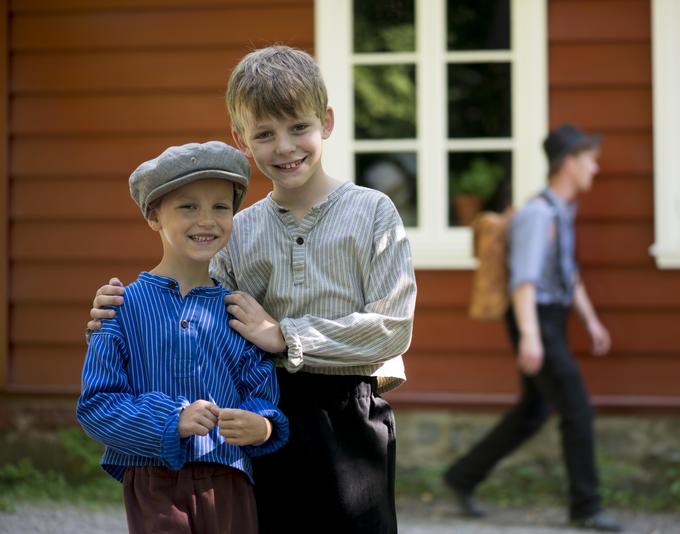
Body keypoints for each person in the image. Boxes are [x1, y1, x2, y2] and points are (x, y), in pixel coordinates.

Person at [87, 45, 416, 534]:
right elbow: (198, 312)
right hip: (266, 409)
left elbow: (392, 328)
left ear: (325, 122)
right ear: (242, 140)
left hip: (351, 410)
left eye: (298, 128)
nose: (284, 147)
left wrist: (287, 335)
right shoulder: (237, 229)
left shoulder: (373, 213)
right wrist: (120, 311)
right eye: (265, 134)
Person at [77, 141, 289, 534]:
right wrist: (170, 419)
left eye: (220, 207)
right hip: (154, 481)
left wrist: (263, 426)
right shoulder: (121, 308)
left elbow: (261, 393)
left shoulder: (240, 311)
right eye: (188, 206)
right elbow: (97, 406)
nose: (206, 220)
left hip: (230, 481)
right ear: (155, 216)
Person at [443, 124, 624, 532]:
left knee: (534, 409)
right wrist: (530, 336)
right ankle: (587, 506)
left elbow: (568, 274)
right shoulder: (537, 215)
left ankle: (463, 475)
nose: (595, 168)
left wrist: (591, 321)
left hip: (551, 317)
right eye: (590, 160)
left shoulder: (562, 211)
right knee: (575, 406)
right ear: (570, 163)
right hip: (534, 317)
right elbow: (522, 280)